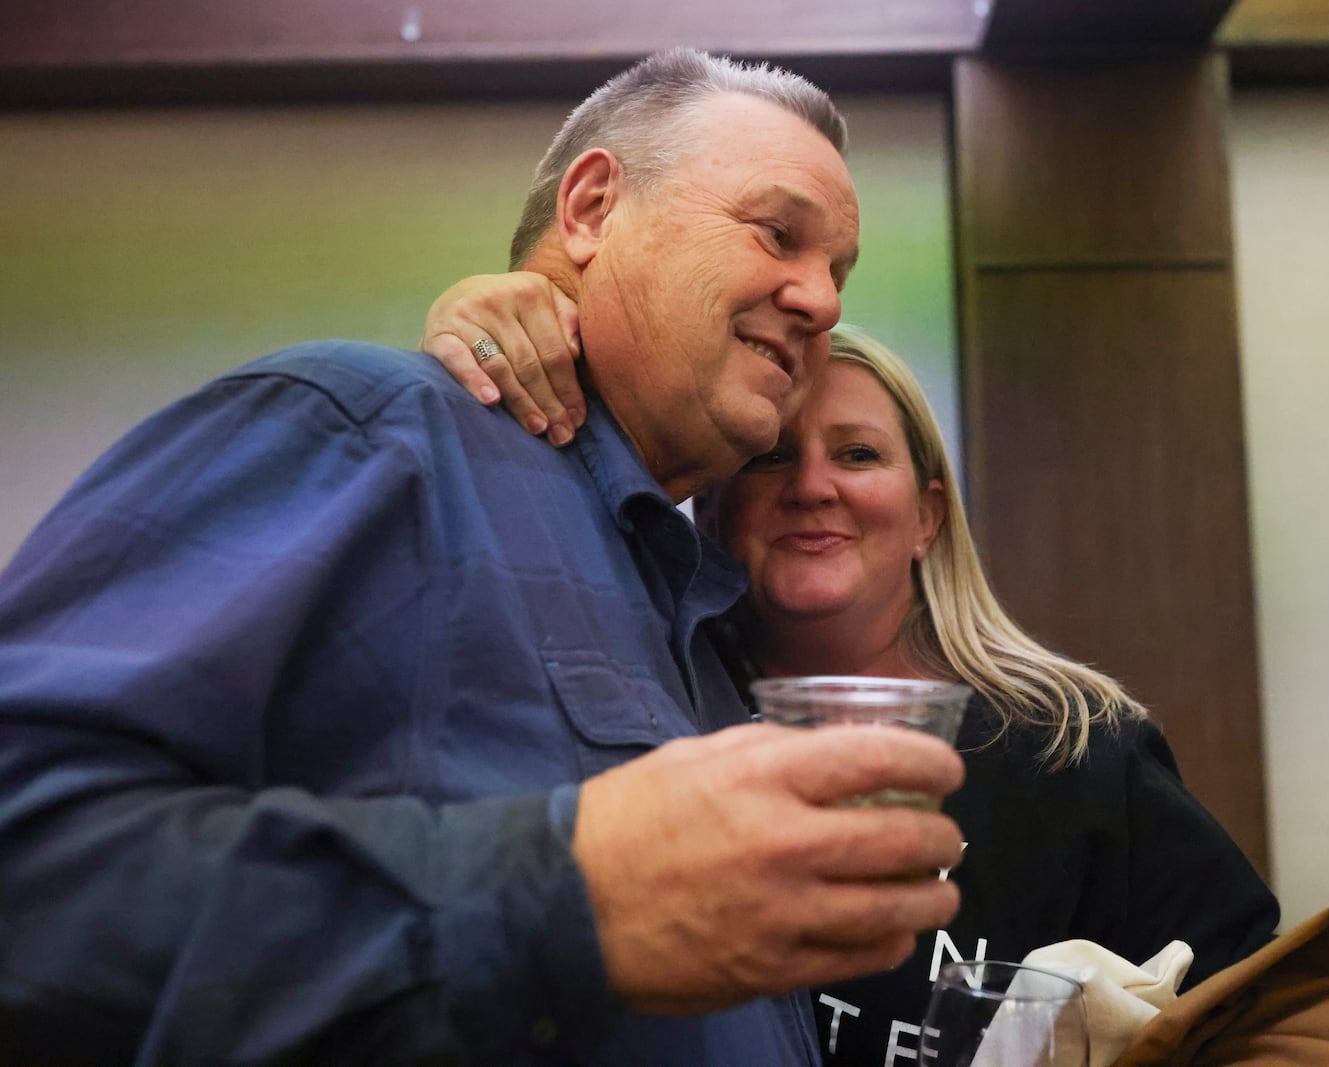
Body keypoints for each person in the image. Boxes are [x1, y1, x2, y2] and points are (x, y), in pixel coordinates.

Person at [0, 50, 971, 1066]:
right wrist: (562, 892)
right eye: (779, 233)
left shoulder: (702, 610)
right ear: (591, 208)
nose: (820, 298)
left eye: (839, 274)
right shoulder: (373, 435)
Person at [419, 279, 1284, 1066]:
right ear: (708, 507)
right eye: (770, 457)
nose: (813, 486)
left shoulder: (1074, 749)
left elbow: (1262, 1018)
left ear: (927, 517)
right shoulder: (650, 715)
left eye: (859, 454)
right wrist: (483, 350)